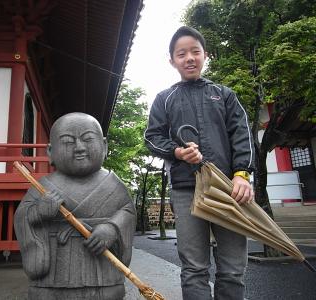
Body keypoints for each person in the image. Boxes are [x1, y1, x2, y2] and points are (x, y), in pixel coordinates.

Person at [144, 26, 255, 300]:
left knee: (233, 267)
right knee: (194, 267)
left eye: (195, 51)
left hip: (227, 188)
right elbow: (152, 137)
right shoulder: (163, 99)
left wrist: (242, 174)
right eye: (182, 54)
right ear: (172, 61)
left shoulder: (225, 95)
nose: (189, 58)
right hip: (185, 189)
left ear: (206, 55)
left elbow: (242, 134)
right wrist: (178, 152)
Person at [14, 112, 136, 300]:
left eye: (87, 139)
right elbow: (22, 217)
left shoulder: (113, 184)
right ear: (50, 152)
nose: (79, 148)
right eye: (68, 141)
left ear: (104, 146)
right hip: (53, 277)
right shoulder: (43, 186)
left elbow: (127, 212)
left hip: (101, 273)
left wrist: (112, 229)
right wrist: (37, 213)